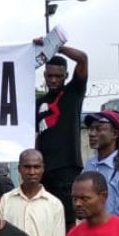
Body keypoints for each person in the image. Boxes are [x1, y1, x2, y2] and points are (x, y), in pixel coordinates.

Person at [35, 46, 89, 226]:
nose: (53, 80)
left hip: (67, 168)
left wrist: (56, 46)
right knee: (45, 220)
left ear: (65, 76)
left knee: (66, 221)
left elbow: (82, 58)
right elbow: (37, 135)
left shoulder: (73, 92)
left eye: (58, 76)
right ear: (44, 75)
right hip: (44, 170)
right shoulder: (39, 102)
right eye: (50, 76)